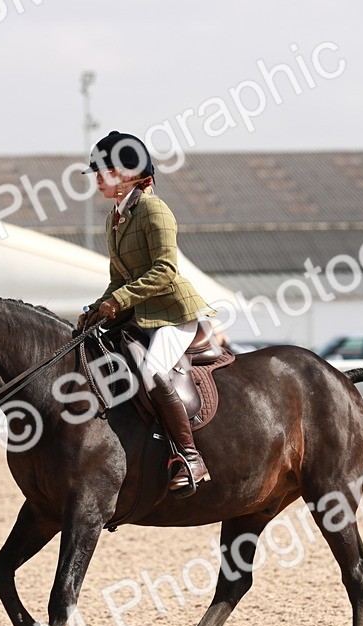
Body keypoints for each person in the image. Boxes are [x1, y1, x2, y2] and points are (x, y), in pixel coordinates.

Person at [77, 130, 217, 498]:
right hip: (139, 314)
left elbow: (165, 270)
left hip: (172, 313)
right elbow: (118, 279)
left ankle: (191, 458)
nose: (96, 179)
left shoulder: (155, 210)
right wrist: (96, 308)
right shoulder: (115, 218)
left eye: (103, 172)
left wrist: (119, 300)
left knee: (153, 372)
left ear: (127, 174)